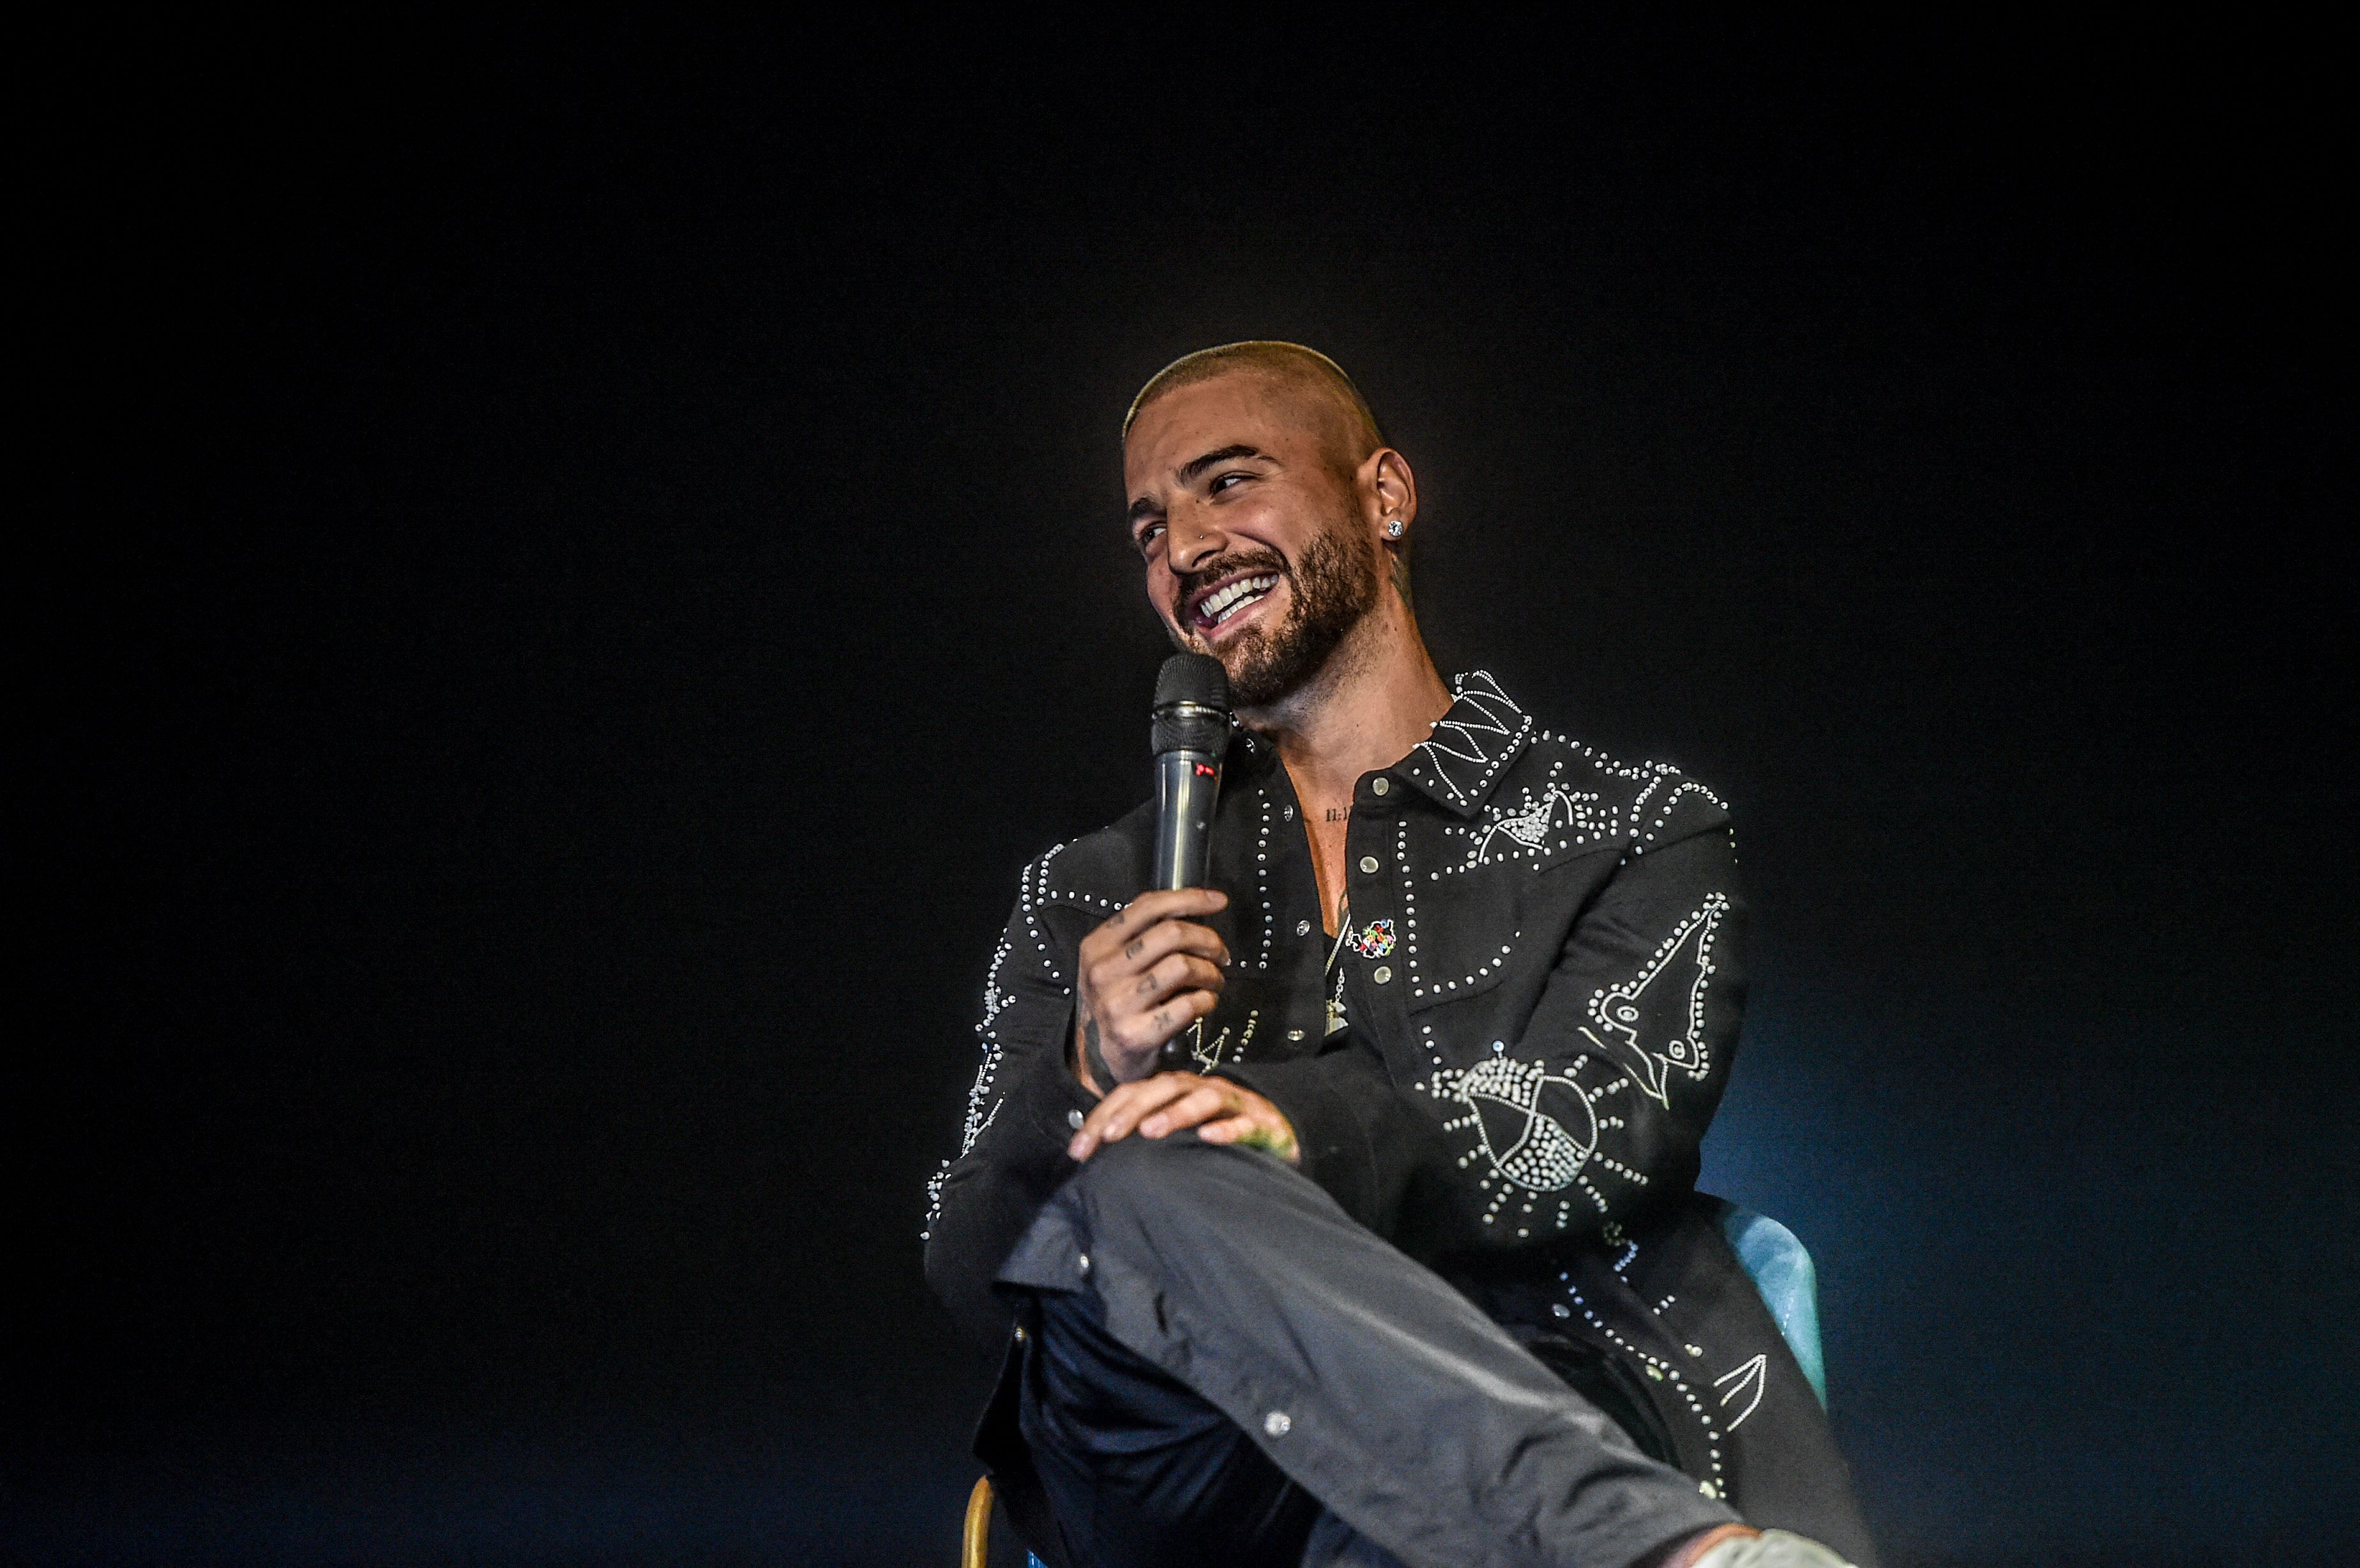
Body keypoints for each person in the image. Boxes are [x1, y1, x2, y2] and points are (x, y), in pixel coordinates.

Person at [923, 343, 1878, 1568]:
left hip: (1535, 1372)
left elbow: (1587, 1130)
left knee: (1398, 1516)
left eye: (1227, 483)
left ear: (1383, 497)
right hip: (1181, 1447)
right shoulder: (1095, 888)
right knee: (1142, 1165)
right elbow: (967, 1255)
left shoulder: (1634, 828)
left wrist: (1288, 1127)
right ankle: (1666, 1556)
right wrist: (1087, 1067)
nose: (1183, 550)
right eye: (1148, 528)